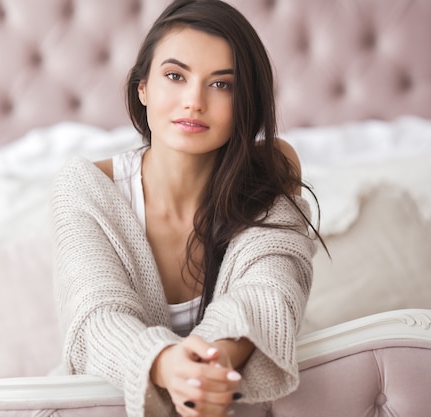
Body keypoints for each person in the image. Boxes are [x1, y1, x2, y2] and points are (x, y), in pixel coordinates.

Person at [51, 0, 322, 416]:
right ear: (142, 87)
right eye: (175, 76)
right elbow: (96, 316)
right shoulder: (86, 187)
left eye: (222, 84)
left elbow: (270, 289)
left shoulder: (270, 169)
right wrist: (164, 365)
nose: (194, 101)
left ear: (245, 99)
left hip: (233, 393)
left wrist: (206, 369)